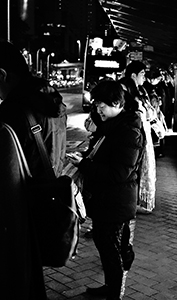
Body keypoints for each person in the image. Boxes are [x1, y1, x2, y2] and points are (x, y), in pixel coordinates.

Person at [0, 40, 68, 299]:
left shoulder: (11, 112)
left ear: (2, 75)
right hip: (46, 202)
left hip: (19, 212)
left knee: (16, 279)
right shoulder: (51, 101)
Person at [69, 80, 145, 300]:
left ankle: (114, 293)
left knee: (110, 249)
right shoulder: (113, 125)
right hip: (108, 200)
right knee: (107, 245)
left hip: (116, 201)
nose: (97, 109)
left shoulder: (128, 131)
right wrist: (85, 158)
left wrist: (84, 165)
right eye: (95, 104)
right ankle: (110, 287)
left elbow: (118, 173)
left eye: (101, 105)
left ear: (117, 103)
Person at [124, 60, 157, 213]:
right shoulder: (128, 93)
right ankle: (131, 203)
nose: (144, 77)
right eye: (142, 74)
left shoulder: (141, 91)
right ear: (133, 75)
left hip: (141, 137)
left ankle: (136, 202)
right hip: (134, 137)